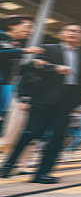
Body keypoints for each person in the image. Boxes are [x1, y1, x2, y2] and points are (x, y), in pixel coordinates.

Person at [1, 23, 81, 183]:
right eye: (69, 30)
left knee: (57, 138)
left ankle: (42, 173)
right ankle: (8, 166)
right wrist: (55, 68)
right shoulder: (48, 48)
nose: (73, 33)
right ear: (62, 33)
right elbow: (32, 67)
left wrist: (77, 103)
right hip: (44, 99)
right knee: (30, 134)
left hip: (66, 103)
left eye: (77, 31)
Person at [0, 15, 43, 150]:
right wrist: (23, 51)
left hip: (6, 85)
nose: (30, 31)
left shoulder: (15, 44)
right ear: (12, 26)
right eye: (28, 27)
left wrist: (34, 63)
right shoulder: (2, 37)